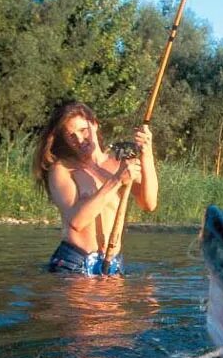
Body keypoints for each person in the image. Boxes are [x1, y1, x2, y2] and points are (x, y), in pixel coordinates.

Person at [34, 101, 158, 275]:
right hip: (75, 264)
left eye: (83, 130)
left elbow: (149, 204)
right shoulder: (62, 169)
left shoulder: (120, 164)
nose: (79, 140)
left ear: (95, 124)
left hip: (112, 265)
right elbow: (77, 221)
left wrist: (147, 153)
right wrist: (116, 181)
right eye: (71, 135)